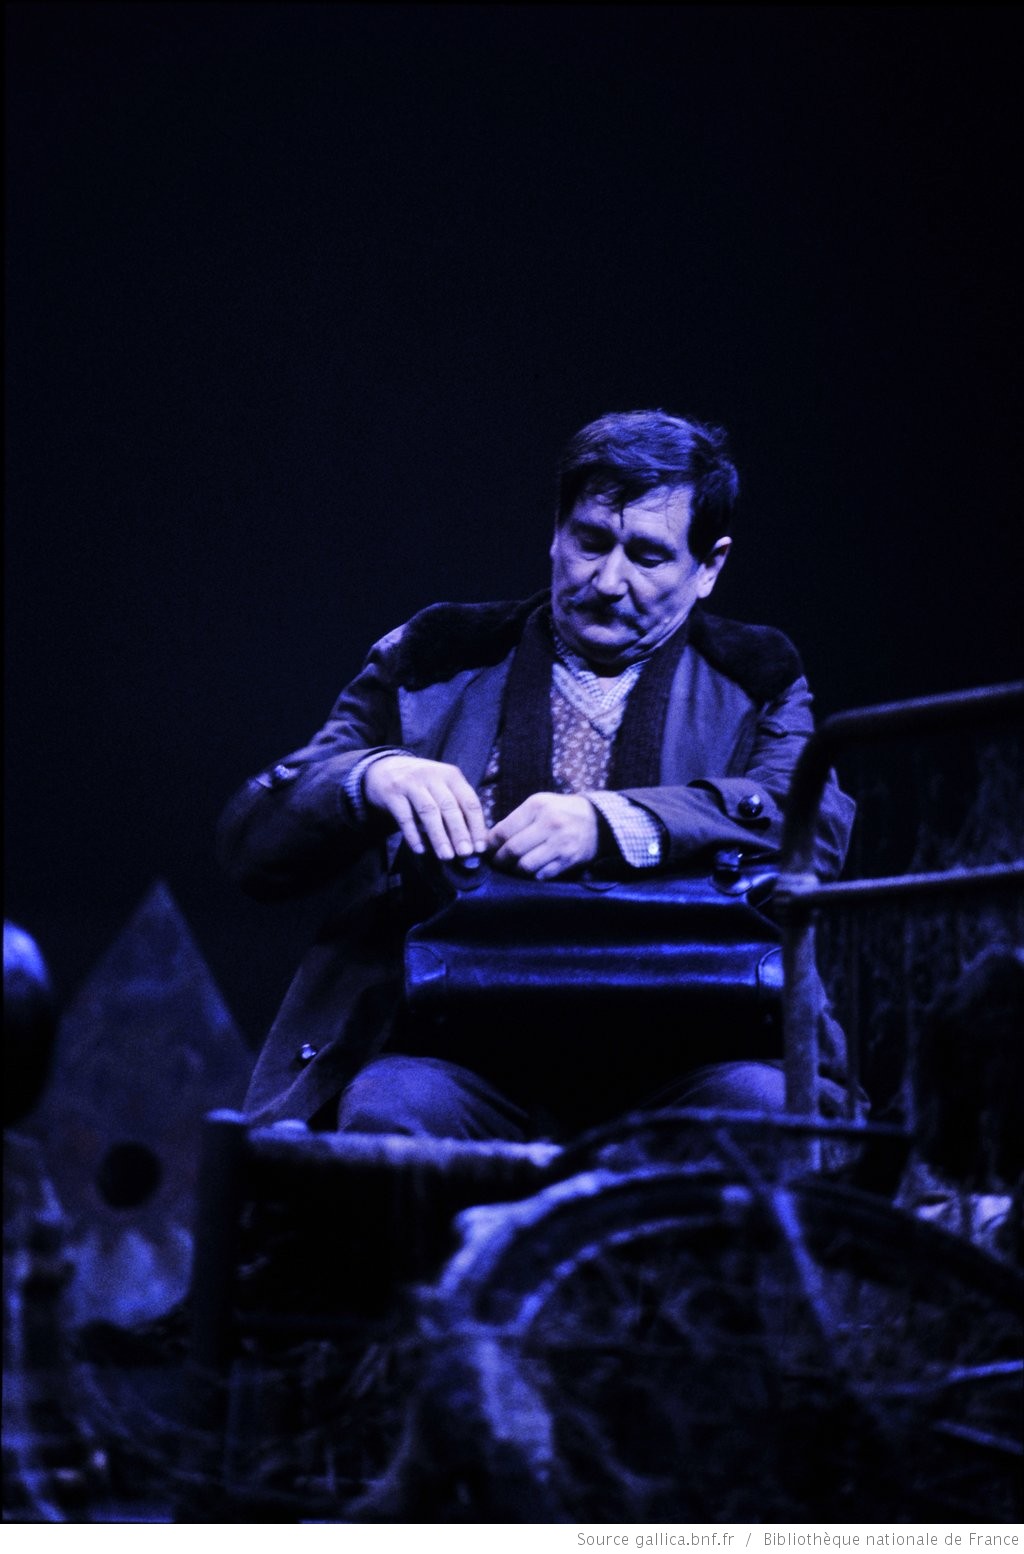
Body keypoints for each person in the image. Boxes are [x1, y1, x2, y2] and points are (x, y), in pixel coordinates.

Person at [218, 409, 855, 1141]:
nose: (608, 581)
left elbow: (809, 826)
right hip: (462, 1052)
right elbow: (253, 846)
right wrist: (371, 777)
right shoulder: (437, 656)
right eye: (591, 541)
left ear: (709, 567)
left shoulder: (757, 676)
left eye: (647, 556)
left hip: (691, 1051)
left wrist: (617, 823)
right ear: (556, 531)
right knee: (391, 1108)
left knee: (764, 1110)